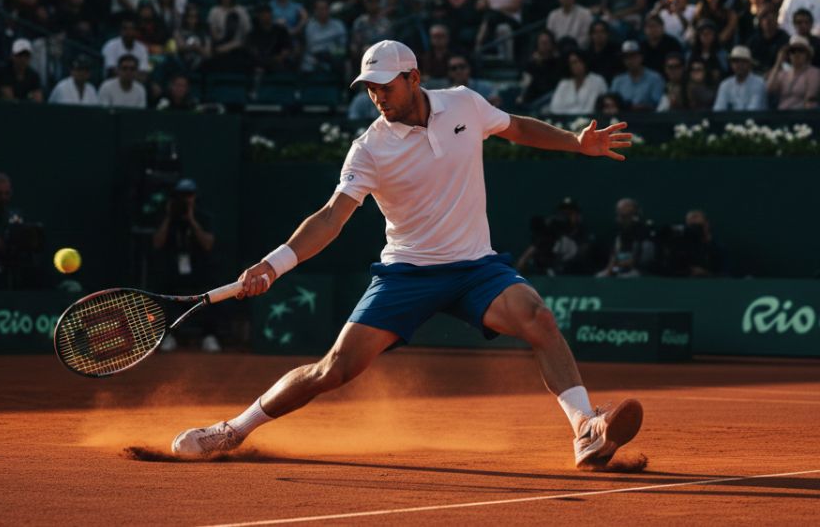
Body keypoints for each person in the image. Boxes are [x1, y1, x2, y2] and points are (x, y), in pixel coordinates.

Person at [171, 40, 643, 471]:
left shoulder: (463, 103)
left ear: (414, 78)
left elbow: (515, 127)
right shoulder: (369, 149)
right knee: (332, 370)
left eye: (385, 86)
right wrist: (274, 264)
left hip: (476, 267)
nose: (377, 97)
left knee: (538, 318)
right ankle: (233, 430)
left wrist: (576, 143)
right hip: (407, 274)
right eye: (370, 89)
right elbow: (332, 216)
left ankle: (585, 428)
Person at [152, 179, 221, 352]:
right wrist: (168, 217)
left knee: (211, 294)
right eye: (181, 195)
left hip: (200, 273)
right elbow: (157, 243)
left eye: (189, 195)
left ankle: (209, 336)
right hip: (173, 274)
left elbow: (208, 244)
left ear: (195, 196)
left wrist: (191, 220)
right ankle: (168, 336)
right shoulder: (166, 218)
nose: (185, 199)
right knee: (163, 293)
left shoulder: (203, 217)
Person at [596, 198, 656, 278]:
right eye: (619, 215)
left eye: (625, 216)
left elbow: (637, 260)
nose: (620, 219)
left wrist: (619, 265)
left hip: (639, 271)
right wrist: (609, 269)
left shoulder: (643, 233)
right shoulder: (618, 233)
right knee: (600, 277)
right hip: (619, 268)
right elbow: (614, 255)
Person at [766, 35, 820, 109]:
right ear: (789, 54)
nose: (796, 54)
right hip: (782, 116)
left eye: (800, 50)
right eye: (793, 50)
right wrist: (778, 63)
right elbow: (769, 89)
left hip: (802, 116)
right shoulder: (783, 74)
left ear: (807, 54)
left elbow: (810, 99)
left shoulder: (814, 73)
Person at [610, 40, 665, 111]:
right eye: (626, 57)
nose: (630, 60)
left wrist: (633, 107)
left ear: (641, 57)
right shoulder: (618, 81)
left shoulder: (655, 78)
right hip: (623, 119)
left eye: (633, 56)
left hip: (649, 119)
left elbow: (658, 105)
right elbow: (611, 104)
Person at [713, 45, 768, 110]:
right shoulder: (725, 85)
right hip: (730, 120)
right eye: (735, 61)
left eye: (743, 61)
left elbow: (753, 110)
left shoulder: (759, 83)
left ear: (749, 63)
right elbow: (719, 109)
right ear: (731, 64)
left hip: (756, 119)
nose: (739, 65)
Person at [302, 0, 347, 73]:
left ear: (329, 10)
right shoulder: (310, 26)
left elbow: (342, 45)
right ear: (315, 11)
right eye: (319, 9)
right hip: (314, 58)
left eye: (325, 8)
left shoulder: (338, 25)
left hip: (332, 57)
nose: (322, 11)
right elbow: (311, 47)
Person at [246, 4, 294, 73]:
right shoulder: (254, 33)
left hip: (277, 61)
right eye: (262, 14)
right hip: (260, 62)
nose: (265, 16)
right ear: (258, 16)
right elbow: (252, 49)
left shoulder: (281, 30)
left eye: (267, 13)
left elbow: (288, 47)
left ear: (271, 14)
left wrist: (281, 56)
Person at [746, 6, 790, 71]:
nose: (767, 22)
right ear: (760, 22)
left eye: (771, 19)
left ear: (776, 20)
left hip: (778, 73)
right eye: (764, 18)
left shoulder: (784, 38)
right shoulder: (753, 40)